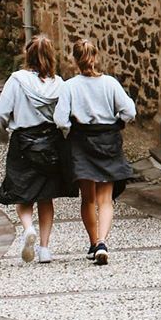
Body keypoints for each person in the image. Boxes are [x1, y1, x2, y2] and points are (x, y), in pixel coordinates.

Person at [55, 38, 136, 266]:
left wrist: (70, 132)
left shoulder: (69, 86)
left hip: (81, 142)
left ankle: (93, 243)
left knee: (88, 198)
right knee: (106, 199)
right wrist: (118, 124)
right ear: (96, 57)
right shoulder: (110, 84)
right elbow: (129, 111)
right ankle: (102, 241)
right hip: (108, 140)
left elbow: (60, 120)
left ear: (75, 60)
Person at [0, 34, 67, 264]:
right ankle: (45, 249)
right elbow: (65, 117)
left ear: (28, 55)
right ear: (51, 57)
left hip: (24, 142)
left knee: (22, 193)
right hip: (51, 143)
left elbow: (1, 114)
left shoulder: (17, 80)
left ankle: (27, 229)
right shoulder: (60, 84)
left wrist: (3, 137)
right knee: (46, 198)